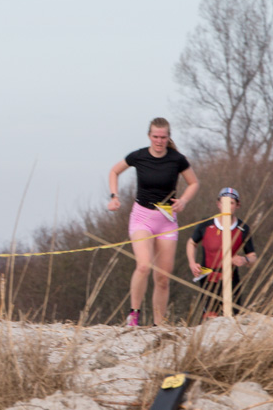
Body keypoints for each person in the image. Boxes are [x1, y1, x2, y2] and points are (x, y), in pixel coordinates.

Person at [108, 117, 199, 327]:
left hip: (167, 221)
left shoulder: (177, 159)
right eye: (156, 137)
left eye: (163, 137)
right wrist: (114, 196)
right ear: (149, 136)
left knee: (163, 278)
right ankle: (134, 315)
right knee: (143, 265)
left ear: (168, 137)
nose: (159, 141)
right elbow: (114, 171)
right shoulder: (139, 156)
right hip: (142, 218)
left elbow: (194, 183)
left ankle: (159, 325)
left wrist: (184, 200)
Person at [186, 187, 258, 317]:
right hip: (208, 278)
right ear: (218, 204)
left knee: (232, 318)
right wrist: (192, 263)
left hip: (231, 278)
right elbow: (191, 243)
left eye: (231, 203)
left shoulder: (243, 228)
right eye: (224, 202)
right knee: (211, 318)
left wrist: (244, 260)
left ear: (237, 205)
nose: (227, 206)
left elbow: (253, 257)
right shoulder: (205, 224)